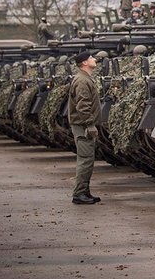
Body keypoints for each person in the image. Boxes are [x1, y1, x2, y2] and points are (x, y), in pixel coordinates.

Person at [68, 51, 101, 205]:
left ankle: (84, 191)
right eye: (91, 58)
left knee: (88, 159)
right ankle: (79, 193)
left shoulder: (85, 78)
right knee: (85, 159)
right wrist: (89, 124)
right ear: (85, 63)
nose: (94, 59)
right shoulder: (82, 81)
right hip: (83, 126)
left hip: (83, 125)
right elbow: (83, 106)